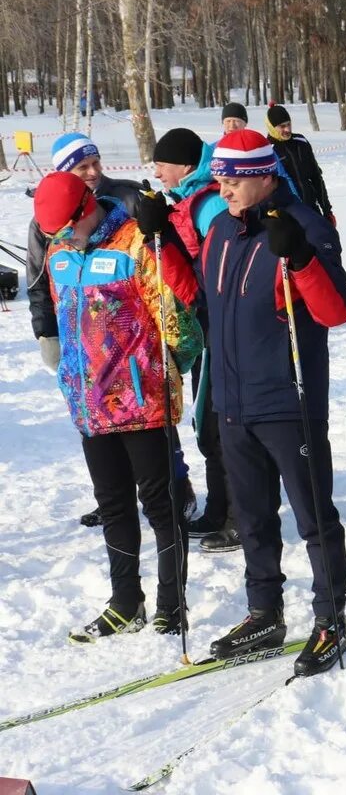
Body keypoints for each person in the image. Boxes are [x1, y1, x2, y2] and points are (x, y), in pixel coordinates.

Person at [194, 129, 346, 677]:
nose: (224, 186)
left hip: (290, 401)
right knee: (254, 518)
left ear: (265, 174)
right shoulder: (218, 228)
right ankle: (264, 611)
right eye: (219, 176)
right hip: (233, 402)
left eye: (233, 178)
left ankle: (331, 619)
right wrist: (166, 247)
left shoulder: (303, 226)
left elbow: (337, 312)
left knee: (314, 518)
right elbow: (201, 299)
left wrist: (304, 258)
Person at [32, 171, 203, 641]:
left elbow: (182, 324)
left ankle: (172, 604)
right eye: (52, 234)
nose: (60, 239)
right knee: (113, 507)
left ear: (86, 207)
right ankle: (126, 602)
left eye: (65, 228)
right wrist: (72, 376)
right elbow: (66, 321)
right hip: (90, 409)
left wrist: (162, 371)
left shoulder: (135, 244)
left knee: (161, 506)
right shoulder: (60, 254)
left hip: (141, 402)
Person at [26, 132, 196, 528]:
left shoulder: (129, 197)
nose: (92, 172)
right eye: (81, 167)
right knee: (109, 462)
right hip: (90, 361)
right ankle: (115, 500)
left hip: (137, 361)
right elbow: (41, 280)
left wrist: (167, 357)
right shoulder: (49, 217)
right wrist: (47, 333)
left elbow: (168, 275)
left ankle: (178, 484)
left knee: (153, 441)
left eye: (95, 163)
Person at [151, 127, 242, 552]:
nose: (158, 172)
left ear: (185, 165)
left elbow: (214, 270)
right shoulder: (190, 199)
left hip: (221, 328)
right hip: (206, 327)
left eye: (162, 165)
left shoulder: (206, 205)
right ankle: (219, 508)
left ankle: (240, 517)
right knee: (208, 424)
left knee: (221, 425)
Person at [266, 103, 335, 225]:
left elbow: (316, 177)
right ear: (271, 127)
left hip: (310, 209)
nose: (287, 130)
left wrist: (327, 210)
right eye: (282, 126)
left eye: (289, 124)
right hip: (286, 216)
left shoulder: (300, 142)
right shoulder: (267, 150)